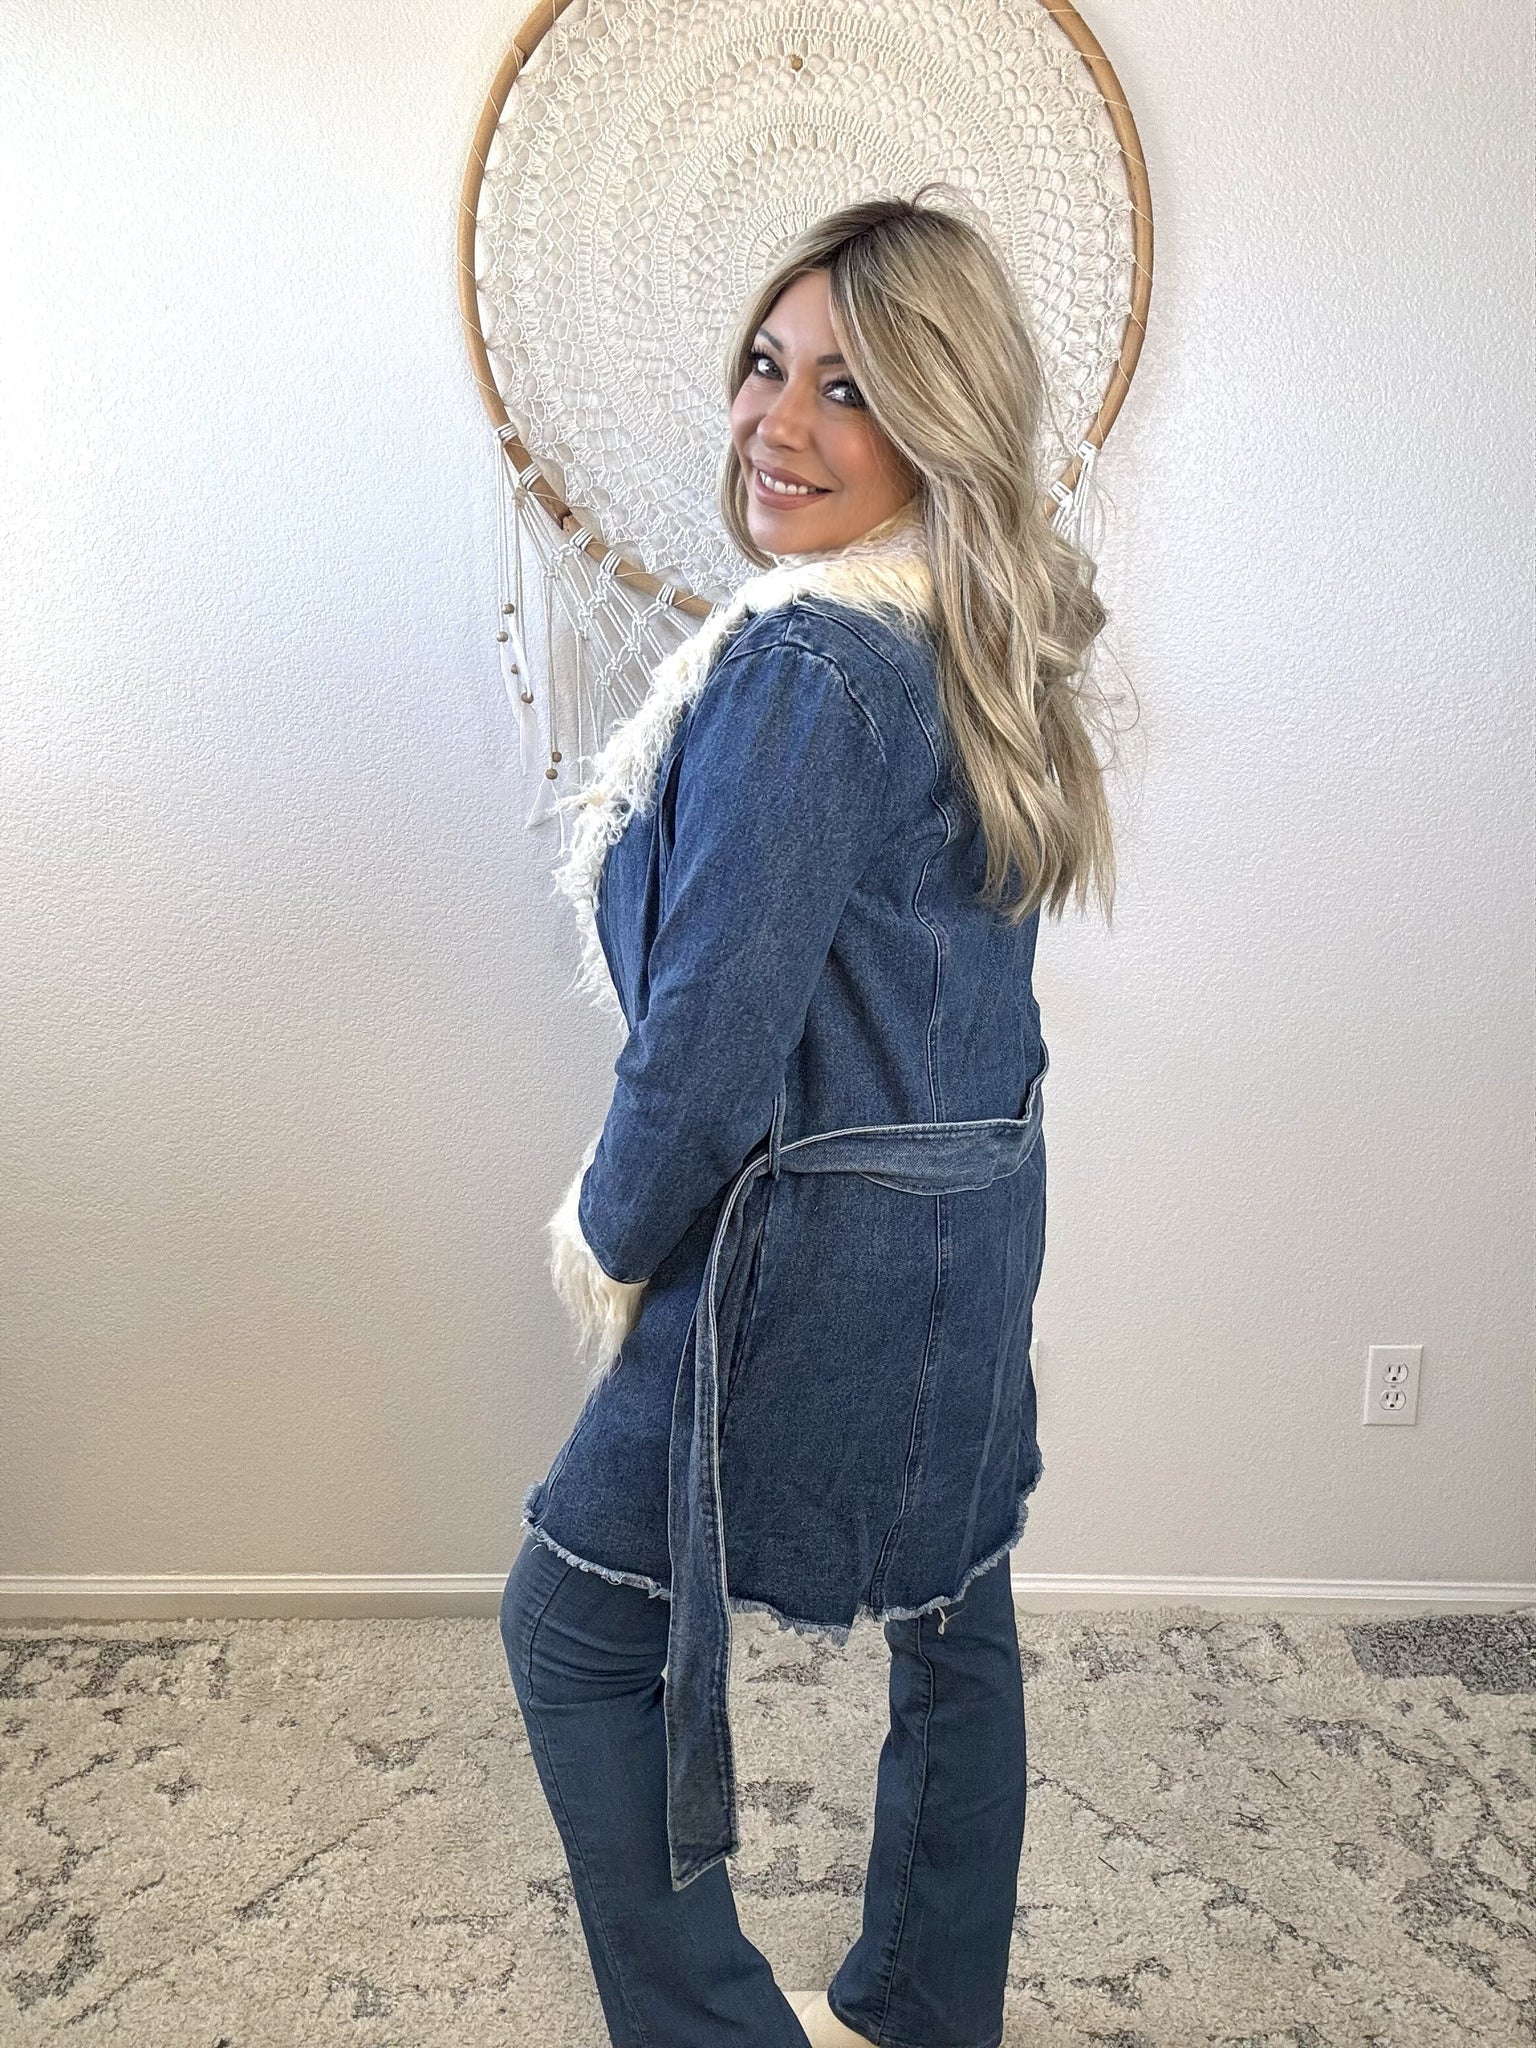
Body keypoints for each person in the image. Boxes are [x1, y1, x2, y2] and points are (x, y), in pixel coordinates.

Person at [499, 186, 1118, 2048]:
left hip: (816, 1255)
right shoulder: (975, 634)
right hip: (973, 1230)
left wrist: (608, 1236)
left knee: (571, 1625)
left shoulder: (806, 666)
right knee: (957, 1618)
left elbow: (706, 1050)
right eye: (766, 366)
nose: (775, 422)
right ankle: (931, 2015)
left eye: (846, 388)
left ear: (936, 419)